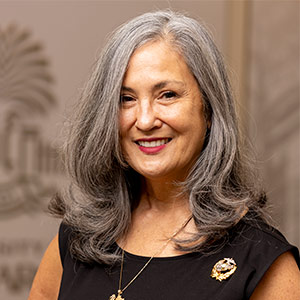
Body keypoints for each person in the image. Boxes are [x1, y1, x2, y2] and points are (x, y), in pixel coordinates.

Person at [28, 10, 299, 300]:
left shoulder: (261, 261)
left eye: (167, 95)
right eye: (126, 99)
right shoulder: (75, 242)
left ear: (209, 109)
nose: (144, 120)